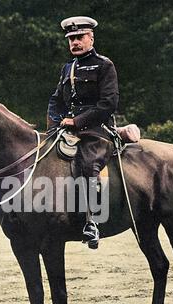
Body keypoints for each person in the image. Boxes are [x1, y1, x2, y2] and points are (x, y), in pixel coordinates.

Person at [47, 16, 119, 249]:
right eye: (71, 39)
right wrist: (55, 124)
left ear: (91, 38)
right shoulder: (68, 68)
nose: (75, 42)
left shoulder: (104, 65)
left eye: (79, 38)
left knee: (88, 166)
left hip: (97, 131)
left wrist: (75, 122)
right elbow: (56, 101)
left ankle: (92, 221)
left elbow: (108, 104)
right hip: (68, 130)